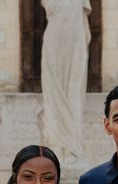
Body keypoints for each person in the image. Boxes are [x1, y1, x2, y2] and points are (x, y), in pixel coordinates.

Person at [41, 0, 91, 160]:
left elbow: (84, 23)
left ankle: (72, 145)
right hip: (54, 40)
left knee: (74, 93)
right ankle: (56, 142)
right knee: (53, 90)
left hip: (76, 40)